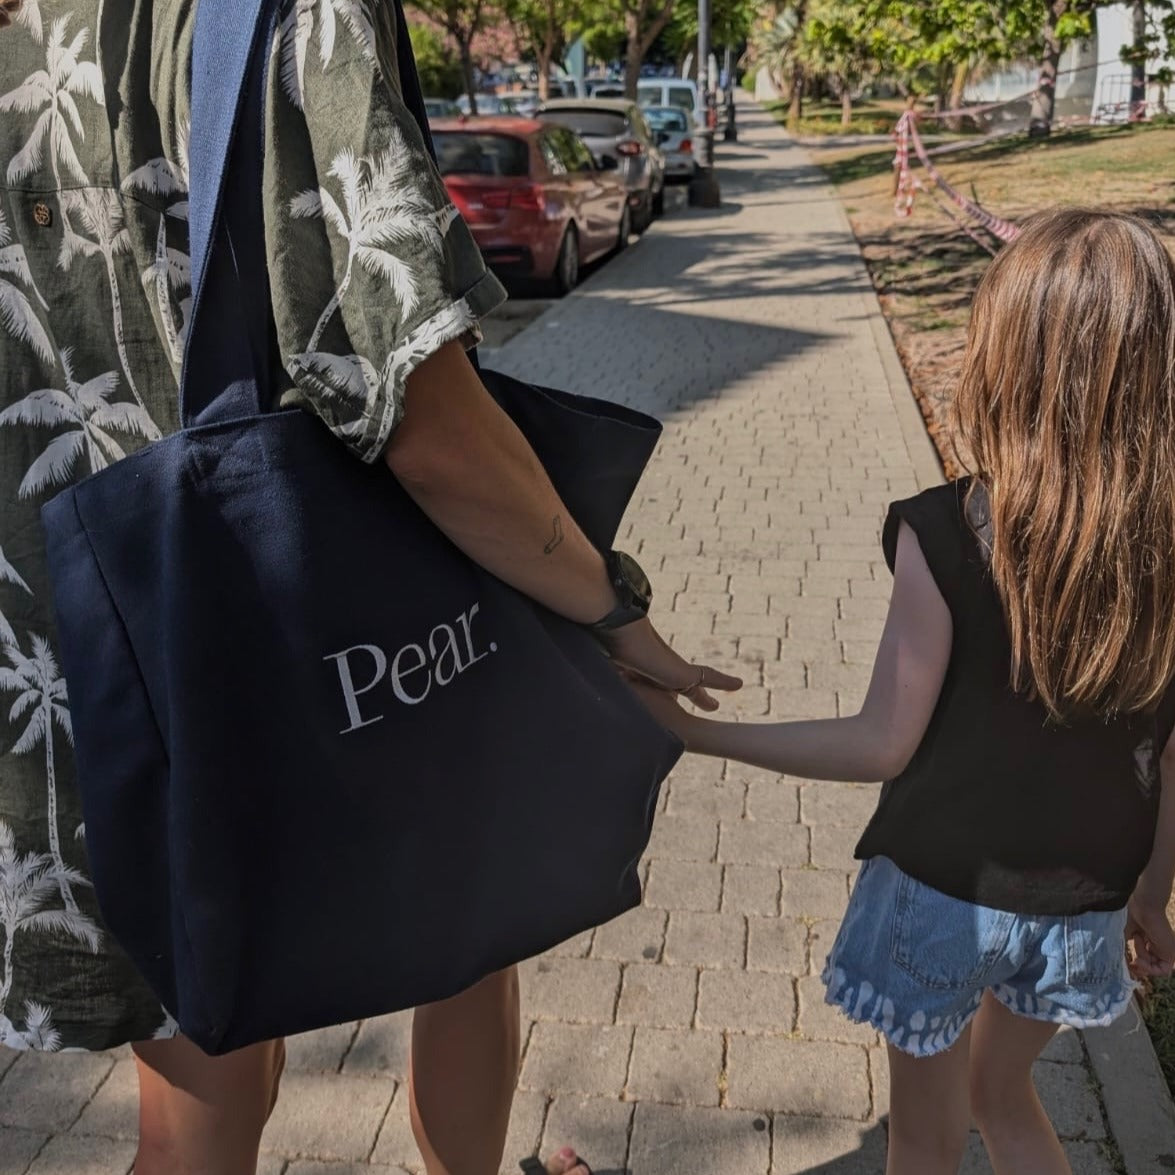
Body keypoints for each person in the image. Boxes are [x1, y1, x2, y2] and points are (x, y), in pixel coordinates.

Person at [0, 1, 737, 1172]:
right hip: (326, 619)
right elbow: (420, 414)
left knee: (199, 1102)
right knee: (469, 923)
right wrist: (607, 601)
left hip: (92, 640)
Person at [634, 208, 1175, 1175]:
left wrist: (701, 736)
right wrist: (1152, 895)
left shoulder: (950, 527)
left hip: (943, 892)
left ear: (1006, 356)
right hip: (1088, 893)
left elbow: (881, 741)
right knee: (1002, 1097)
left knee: (925, 1138)